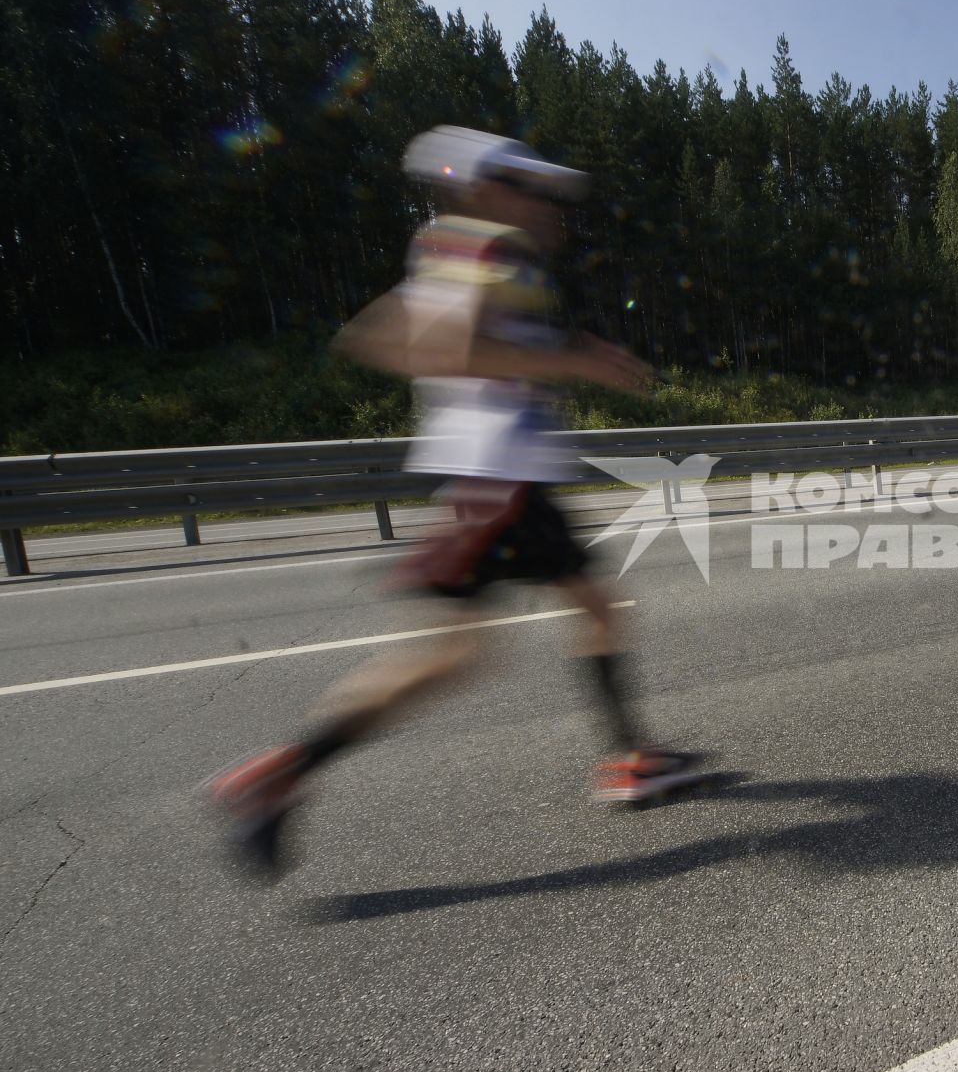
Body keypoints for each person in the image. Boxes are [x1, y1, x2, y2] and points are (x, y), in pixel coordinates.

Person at [207, 126, 696, 877]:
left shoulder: (471, 248)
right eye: (530, 188)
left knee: (564, 619)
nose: (548, 205)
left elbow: (397, 335)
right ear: (482, 187)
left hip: (504, 478)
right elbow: (438, 348)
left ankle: (629, 758)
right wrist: (572, 358)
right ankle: (278, 774)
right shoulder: (476, 243)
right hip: (496, 478)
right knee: (455, 652)